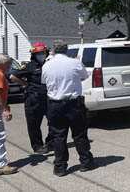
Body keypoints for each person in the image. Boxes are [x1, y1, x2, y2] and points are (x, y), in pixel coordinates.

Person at [42, 41, 95, 177]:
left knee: (58, 136)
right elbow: (84, 76)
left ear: (53, 50)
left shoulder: (47, 65)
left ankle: (60, 167)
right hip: (73, 103)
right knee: (79, 134)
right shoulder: (75, 63)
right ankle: (85, 162)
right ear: (66, 50)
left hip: (55, 104)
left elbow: (44, 81)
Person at [9, 42, 53, 154]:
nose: (41, 55)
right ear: (34, 55)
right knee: (34, 124)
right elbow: (12, 76)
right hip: (33, 99)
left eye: (43, 53)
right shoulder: (29, 66)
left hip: (48, 98)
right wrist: (25, 84)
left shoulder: (49, 65)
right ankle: (37, 146)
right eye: (38, 53)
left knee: (53, 121)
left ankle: (50, 142)